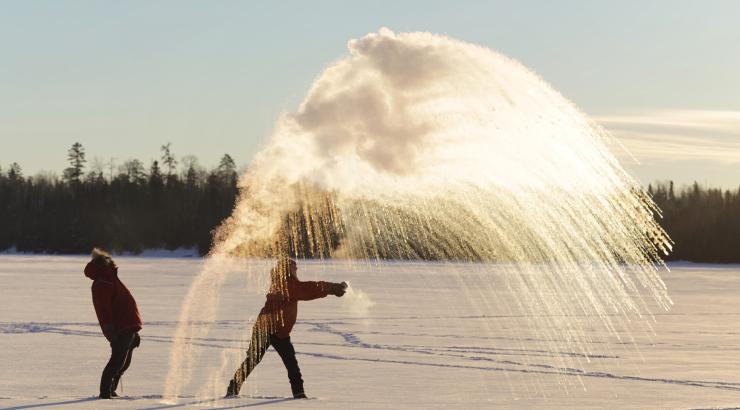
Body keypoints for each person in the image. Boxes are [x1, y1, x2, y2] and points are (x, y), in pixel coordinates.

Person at [226, 257, 347, 399]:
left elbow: (306, 288)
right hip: (267, 329)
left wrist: (331, 289)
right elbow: (308, 289)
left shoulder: (282, 281)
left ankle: (299, 394)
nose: (296, 269)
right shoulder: (287, 283)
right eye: (293, 267)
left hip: (278, 331)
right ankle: (298, 394)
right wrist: (332, 288)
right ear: (287, 269)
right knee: (259, 361)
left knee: (287, 363)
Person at [84, 248, 143, 399]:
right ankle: (105, 393)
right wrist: (110, 330)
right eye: (106, 261)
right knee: (117, 362)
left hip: (128, 325)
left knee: (123, 363)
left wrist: (134, 329)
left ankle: (111, 390)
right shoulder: (103, 281)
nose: (110, 262)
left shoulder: (110, 277)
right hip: (121, 328)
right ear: (102, 264)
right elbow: (103, 309)